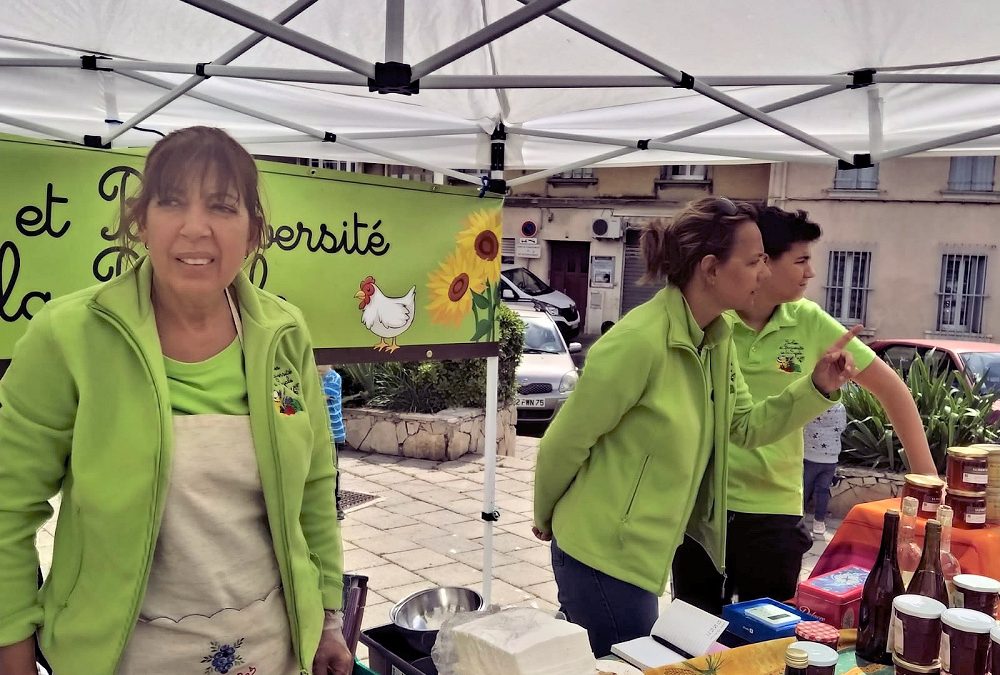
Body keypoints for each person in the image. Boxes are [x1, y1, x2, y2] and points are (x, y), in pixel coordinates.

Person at [0, 127, 353, 675]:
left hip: (268, 649)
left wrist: (327, 620)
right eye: (171, 202)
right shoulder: (68, 336)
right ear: (142, 222)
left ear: (253, 232)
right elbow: (7, 503)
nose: (195, 228)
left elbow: (313, 484)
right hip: (122, 656)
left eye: (221, 206)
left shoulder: (284, 333)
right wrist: (12, 649)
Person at [532, 197, 860, 657]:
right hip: (599, 552)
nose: (764, 273)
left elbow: (746, 426)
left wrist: (816, 386)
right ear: (710, 267)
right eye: (753, 262)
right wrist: (546, 519)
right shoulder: (638, 343)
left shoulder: (715, 339)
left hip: (643, 556)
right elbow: (562, 444)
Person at [672, 206, 937, 616]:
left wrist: (927, 483)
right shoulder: (711, 318)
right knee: (690, 633)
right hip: (701, 507)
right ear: (762, 262)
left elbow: (893, 390)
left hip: (773, 512)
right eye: (800, 261)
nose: (810, 273)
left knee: (769, 638)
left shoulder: (809, 321)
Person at [803, 403, 848, 535]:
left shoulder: (811, 404)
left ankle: (799, 515)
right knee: (823, 491)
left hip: (810, 455)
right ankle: (819, 521)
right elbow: (842, 427)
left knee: (804, 488)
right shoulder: (839, 407)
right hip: (830, 458)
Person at [320, 365, 348, 520]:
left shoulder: (333, 378)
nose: (317, 366)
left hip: (333, 433)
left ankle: (337, 506)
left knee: (333, 469)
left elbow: (321, 398)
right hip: (320, 431)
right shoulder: (315, 378)